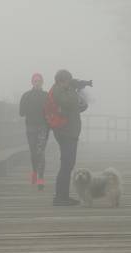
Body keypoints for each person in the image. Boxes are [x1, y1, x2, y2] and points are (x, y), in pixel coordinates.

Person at [51, 69, 89, 206]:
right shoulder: (58, 90)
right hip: (65, 132)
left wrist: (79, 95)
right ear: (62, 80)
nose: (69, 83)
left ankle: (63, 196)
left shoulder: (63, 90)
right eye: (68, 81)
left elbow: (77, 106)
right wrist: (74, 89)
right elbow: (68, 103)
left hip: (69, 132)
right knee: (66, 165)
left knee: (68, 164)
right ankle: (60, 197)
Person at [19, 73, 49, 191]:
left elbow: (51, 110)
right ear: (32, 82)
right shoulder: (26, 95)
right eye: (35, 81)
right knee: (33, 153)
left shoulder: (46, 96)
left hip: (43, 127)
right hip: (30, 127)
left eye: (39, 81)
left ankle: (41, 178)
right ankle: (34, 171)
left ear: (42, 82)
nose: (37, 83)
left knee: (40, 151)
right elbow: (21, 113)